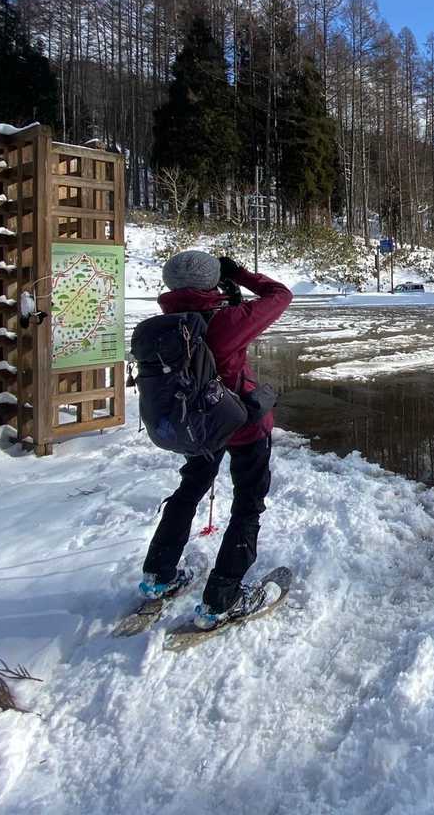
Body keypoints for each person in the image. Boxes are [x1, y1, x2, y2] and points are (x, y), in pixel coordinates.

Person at [138, 249, 293, 628]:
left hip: (196, 428)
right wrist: (238, 273)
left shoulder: (163, 326)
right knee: (247, 505)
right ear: (211, 283)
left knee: (189, 491)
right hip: (244, 427)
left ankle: (159, 574)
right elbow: (280, 295)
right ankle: (222, 598)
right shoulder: (226, 322)